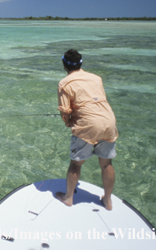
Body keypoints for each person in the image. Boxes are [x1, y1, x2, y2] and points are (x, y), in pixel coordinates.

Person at [55, 49, 118, 210]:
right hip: (109, 121)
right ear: (81, 63)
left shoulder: (64, 83)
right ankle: (108, 201)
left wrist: (68, 123)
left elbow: (65, 111)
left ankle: (68, 198)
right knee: (106, 164)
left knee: (76, 164)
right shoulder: (96, 78)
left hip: (88, 125)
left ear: (64, 65)